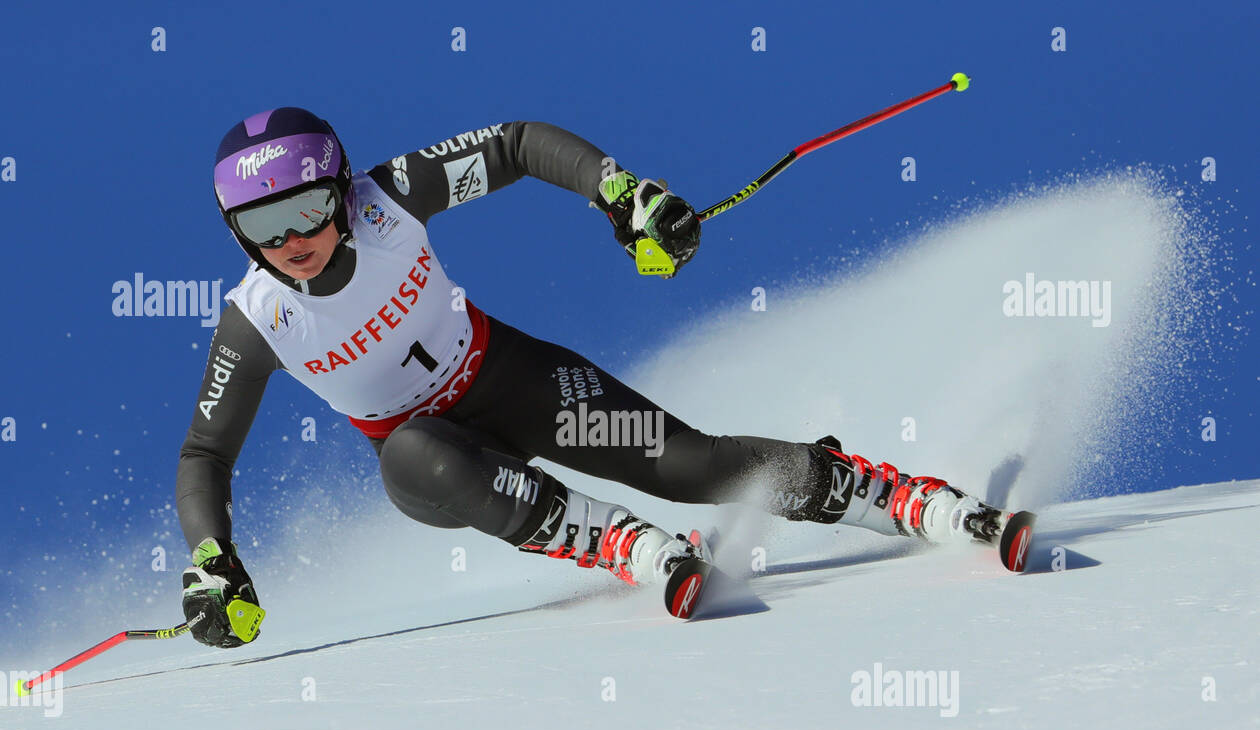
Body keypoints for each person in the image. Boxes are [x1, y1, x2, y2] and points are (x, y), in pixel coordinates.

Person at [179, 107, 1004, 648]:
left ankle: (890, 497)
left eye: (307, 210)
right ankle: (619, 542)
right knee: (409, 452)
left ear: (339, 191)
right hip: (439, 464)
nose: (291, 239)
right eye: (261, 224)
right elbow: (205, 454)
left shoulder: (388, 198)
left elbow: (515, 146)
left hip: (508, 379)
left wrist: (622, 195)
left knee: (690, 464)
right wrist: (214, 557)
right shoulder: (255, 320)